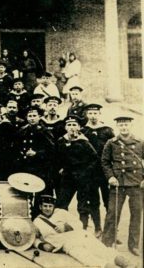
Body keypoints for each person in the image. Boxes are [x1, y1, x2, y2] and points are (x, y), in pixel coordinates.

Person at [32, 195, 133, 268]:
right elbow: (33, 238)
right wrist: (41, 245)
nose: (47, 209)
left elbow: (79, 224)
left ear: (53, 206)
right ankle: (107, 266)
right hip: (65, 244)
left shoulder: (61, 213)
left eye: (50, 206)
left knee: (99, 249)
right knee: (84, 256)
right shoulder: (37, 221)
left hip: (78, 236)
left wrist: (66, 227)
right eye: (45, 206)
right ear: (40, 207)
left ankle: (121, 261)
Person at [101, 116, 143, 256]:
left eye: (126, 125)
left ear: (130, 125)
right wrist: (111, 177)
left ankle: (134, 245)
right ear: (118, 127)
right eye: (121, 125)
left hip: (136, 183)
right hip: (118, 183)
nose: (124, 127)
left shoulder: (140, 142)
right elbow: (105, 162)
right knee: (112, 213)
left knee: (136, 214)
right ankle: (107, 243)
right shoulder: (111, 143)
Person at [53, 115, 100, 236]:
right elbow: (56, 157)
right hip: (67, 178)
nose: (72, 127)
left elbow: (94, 159)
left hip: (82, 178)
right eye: (69, 125)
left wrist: (86, 172)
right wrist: (60, 168)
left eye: (74, 125)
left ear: (79, 127)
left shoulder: (84, 142)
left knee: (83, 204)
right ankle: (59, 228)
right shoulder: (61, 141)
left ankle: (82, 229)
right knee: (61, 203)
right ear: (65, 127)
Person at [80, 103, 114, 213]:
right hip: (90, 170)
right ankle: (97, 227)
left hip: (104, 170)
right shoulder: (83, 130)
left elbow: (114, 149)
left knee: (108, 199)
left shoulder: (107, 130)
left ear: (100, 114)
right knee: (93, 199)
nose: (93, 116)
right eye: (90, 113)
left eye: (95, 113)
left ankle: (111, 227)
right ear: (86, 115)